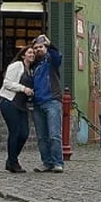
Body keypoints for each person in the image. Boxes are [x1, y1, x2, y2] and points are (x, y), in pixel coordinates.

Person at [0, 45, 35, 173]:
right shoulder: (17, 66)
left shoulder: (32, 70)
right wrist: (23, 89)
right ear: (23, 55)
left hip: (22, 105)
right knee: (15, 132)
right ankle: (13, 162)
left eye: (34, 53)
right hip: (9, 102)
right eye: (29, 52)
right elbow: (7, 83)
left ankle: (11, 160)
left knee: (24, 133)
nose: (32, 54)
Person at [30, 34, 64, 173]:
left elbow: (57, 56)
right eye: (36, 48)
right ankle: (46, 162)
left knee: (54, 134)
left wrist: (51, 45)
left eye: (41, 47)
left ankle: (57, 162)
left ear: (46, 48)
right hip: (37, 104)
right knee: (41, 137)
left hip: (52, 101)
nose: (38, 49)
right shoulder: (33, 66)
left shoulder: (51, 61)